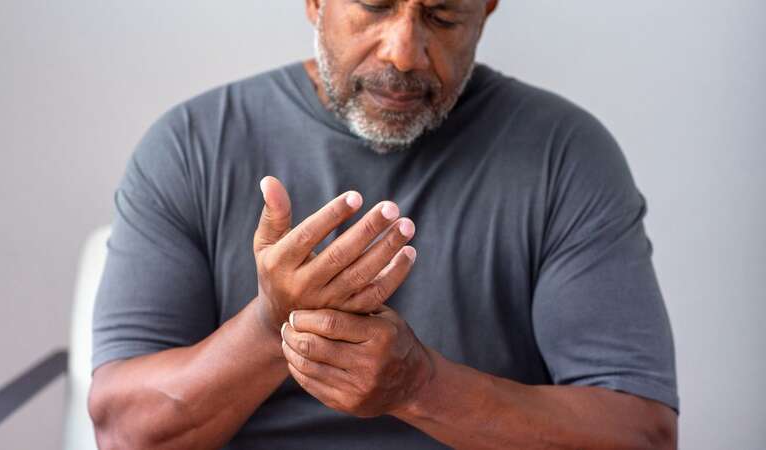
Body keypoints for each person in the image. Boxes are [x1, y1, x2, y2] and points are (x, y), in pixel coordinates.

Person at [88, 1, 679, 448]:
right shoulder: (192, 145)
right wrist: (272, 325)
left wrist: (422, 388)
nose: (403, 52)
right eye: (375, 5)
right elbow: (124, 430)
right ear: (315, 1)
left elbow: (641, 433)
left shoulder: (564, 154)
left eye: (443, 16)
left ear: (489, 8)